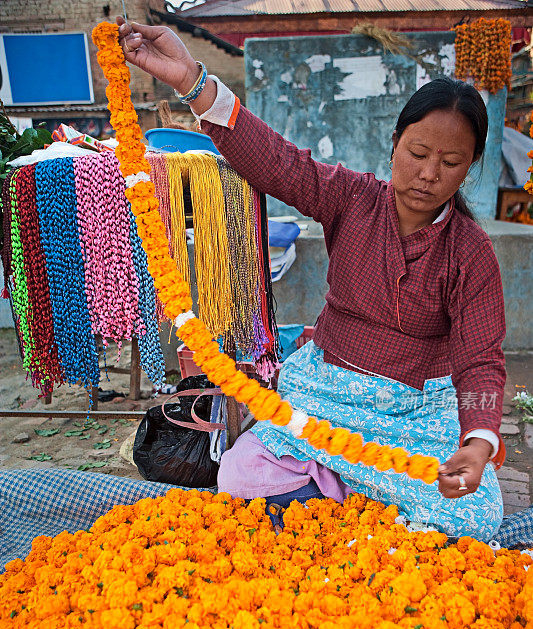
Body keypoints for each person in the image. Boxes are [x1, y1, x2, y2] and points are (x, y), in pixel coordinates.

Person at [118, 19, 506, 540]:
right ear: (394, 142)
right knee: (238, 474)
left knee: (476, 514)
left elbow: (481, 359)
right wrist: (192, 81)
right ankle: (343, 482)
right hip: (326, 391)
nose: (429, 174)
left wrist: (479, 443)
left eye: (451, 162)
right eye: (417, 154)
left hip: (412, 411)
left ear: (470, 167)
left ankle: (340, 486)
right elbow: (278, 164)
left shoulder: (471, 253)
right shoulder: (351, 198)